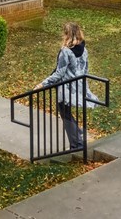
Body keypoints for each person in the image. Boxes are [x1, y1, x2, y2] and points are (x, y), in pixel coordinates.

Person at [34, 22, 97, 150]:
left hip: (67, 88)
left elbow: (59, 72)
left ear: (67, 34)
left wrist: (43, 84)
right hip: (79, 85)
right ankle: (79, 134)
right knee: (67, 112)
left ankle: (77, 143)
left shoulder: (66, 51)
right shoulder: (84, 49)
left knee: (65, 113)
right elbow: (85, 69)